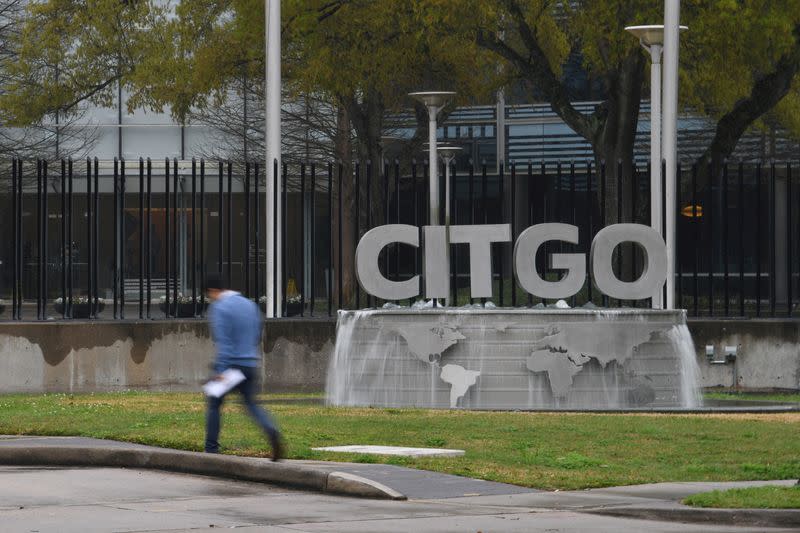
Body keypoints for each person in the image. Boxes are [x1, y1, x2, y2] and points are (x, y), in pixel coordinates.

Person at [204, 272, 283, 460]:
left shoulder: (220, 308)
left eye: (209, 295)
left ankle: (211, 450)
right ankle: (271, 430)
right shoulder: (249, 305)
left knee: (214, 402)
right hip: (250, 363)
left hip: (231, 365)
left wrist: (221, 370)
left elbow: (224, 342)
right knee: (251, 403)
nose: (210, 299)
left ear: (213, 291)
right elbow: (256, 334)